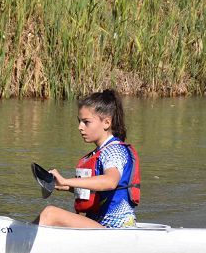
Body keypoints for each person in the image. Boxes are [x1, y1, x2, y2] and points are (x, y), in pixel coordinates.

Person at [37, 90, 141, 229]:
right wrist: (64, 186)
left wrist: (66, 180)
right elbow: (97, 191)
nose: (80, 127)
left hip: (115, 229)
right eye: (79, 121)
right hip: (99, 225)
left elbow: (110, 182)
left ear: (106, 123)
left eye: (86, 122)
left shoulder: (114, 151)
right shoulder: (99, 152)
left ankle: (19, 240)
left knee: (50, 214)